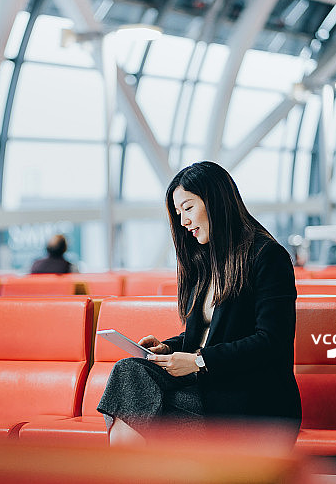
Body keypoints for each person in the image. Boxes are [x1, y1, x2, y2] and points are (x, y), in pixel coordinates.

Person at [97, 161, 301, 445]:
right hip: (207, 390)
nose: (183, 222)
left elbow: (271, 340)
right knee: (129, 369)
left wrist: (199, 361)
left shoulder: (267, 256)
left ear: (216, 200)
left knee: (134, 401)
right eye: (179, 213)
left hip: (252, 400)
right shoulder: (204, 263)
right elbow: (209, 335)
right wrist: (169, 348)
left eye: (189, 208)